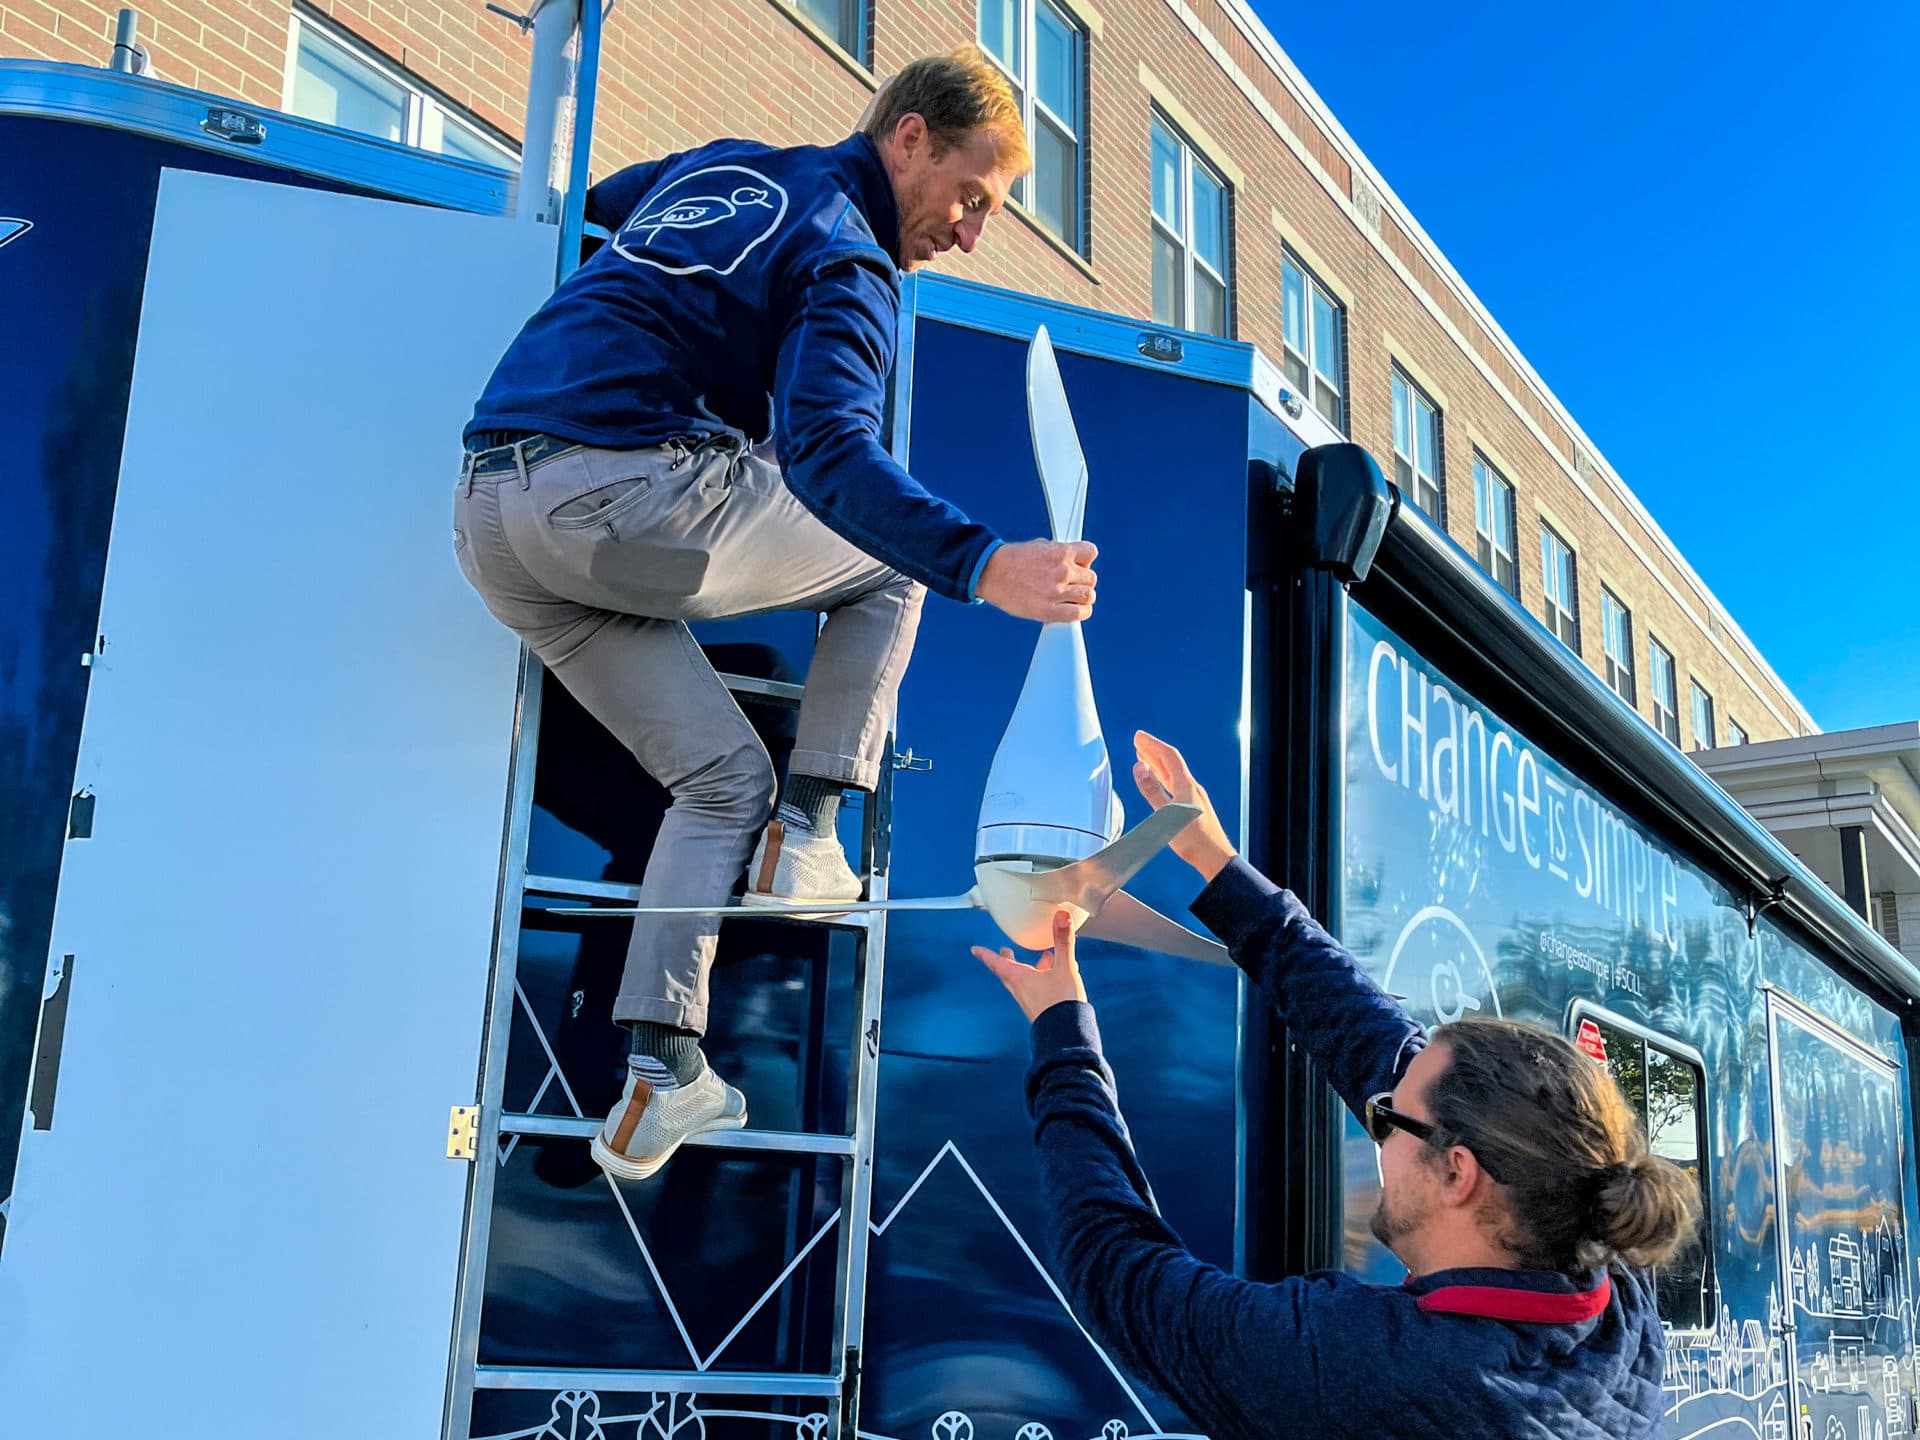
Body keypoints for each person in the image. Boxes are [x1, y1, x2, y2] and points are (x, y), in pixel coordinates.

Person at [454, 48, 1100, 1184]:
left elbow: (600, 209)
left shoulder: (724, 168)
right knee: (892, 566)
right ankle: (812, 835)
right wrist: (984, 563)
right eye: (970, 195)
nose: (968, 231)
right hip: (612, 494)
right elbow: (831, 457)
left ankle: (663, 1073)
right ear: (908, 135)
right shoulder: (851, 261)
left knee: (715, 781)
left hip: (493, 518)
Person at [976, 731, 1702, 1439]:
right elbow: (1377, 1044)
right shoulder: (1610, 1291)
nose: (1375, 1125)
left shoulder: (1367, 1373)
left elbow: (1119, 1272)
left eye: (1387, 1121)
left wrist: (1062, 1033)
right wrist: (1219, 866)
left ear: (1459, 1173)